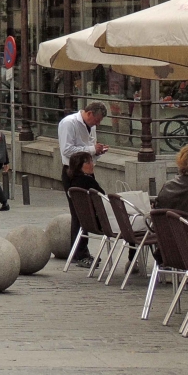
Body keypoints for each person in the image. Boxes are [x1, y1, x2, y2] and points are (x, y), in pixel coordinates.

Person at [59, 101, 108, 265]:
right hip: (73, 171)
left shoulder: (91, 126)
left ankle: (81, 250)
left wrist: (97, 151)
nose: (98, 124)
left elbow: (89, 149)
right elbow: (67, 150)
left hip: (87, 170)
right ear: (89, 113)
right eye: (97, 120)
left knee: (87, 211)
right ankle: (79, 252)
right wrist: (92, 149)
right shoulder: (69, 123)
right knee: (79, 212)